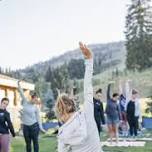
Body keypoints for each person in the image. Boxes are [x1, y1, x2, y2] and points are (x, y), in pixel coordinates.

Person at [55, 42, 103, 152]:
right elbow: (88, 89)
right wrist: (89, 60)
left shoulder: (63, 134)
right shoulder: (87, 114)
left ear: (61, 113)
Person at [17, 81, 46, 152]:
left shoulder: (36, 107)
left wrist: (41, 127)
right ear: (32, 98)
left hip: (34, 127)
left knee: (35, 143)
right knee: (28, 144)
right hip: (26, 127)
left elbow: (38, 118)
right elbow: (21, 93)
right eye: (35, 99)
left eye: (37, 100)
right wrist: (18, 85)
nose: (36, 101)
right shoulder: (25, 101)